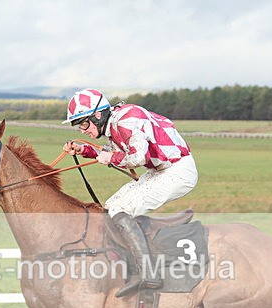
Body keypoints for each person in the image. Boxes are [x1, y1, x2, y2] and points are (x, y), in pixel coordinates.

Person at [61, 88, 198, 297]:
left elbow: (137, 158)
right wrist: (85, 150)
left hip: (178, 171)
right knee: (110, 206)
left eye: (83, 124)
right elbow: (113, 152)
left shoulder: (127, 119)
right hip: (161, 170)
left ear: (97, 115)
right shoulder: (115, 121)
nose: (82, 130)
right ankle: (129, 262)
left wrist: (110, 159)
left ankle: (148, 273)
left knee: (119, 208)